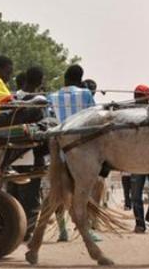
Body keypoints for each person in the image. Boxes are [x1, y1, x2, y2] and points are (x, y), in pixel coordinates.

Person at [48, 65, 96, 241]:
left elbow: (49, 120)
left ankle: (62, 230)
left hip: (58, 149)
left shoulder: (51, 97)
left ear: (65, 79)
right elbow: (94, 117)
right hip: (82, 152)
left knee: (58, 189)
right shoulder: (86, 94)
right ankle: (87, 230)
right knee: (84, 191)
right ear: (80, 79)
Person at [6, 66, 53, 242]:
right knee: (31, 198)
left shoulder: (12, 96)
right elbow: (44, 127)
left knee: (13, 194)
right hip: (32, 154)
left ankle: (13, 229)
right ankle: (26, 231)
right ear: (40, 80)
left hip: (10, 155)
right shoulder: (40, 100)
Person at [128, 84, 149, 233]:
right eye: (138, 95)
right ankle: (140, 223)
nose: (139, 98)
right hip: (136, 159)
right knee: (136, 194)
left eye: (141, 96)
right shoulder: (127, 112)